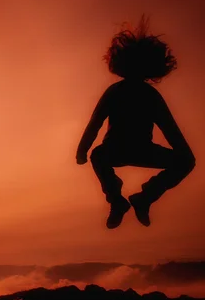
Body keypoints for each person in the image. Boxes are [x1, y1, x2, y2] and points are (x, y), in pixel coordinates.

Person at [76, 16, 195, 229]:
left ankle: (138, 199)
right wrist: (185, 156)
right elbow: (96, 121)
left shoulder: (136, 94)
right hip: (128, 150)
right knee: (98, 155)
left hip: (132, 150)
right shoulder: (131, 93)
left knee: (97, 155)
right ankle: (121, 201)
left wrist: (83, 150)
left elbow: (170, 128)